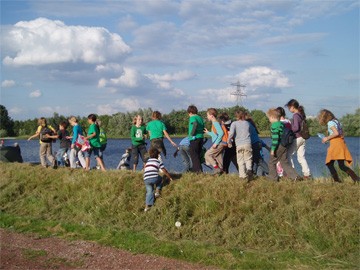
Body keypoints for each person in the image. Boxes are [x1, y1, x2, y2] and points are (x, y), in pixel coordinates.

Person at [317, 109, 359, 183]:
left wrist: (327, 138)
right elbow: (340, 134)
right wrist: (329, 140)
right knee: (341, 165)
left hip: (336, 145)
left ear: (325, 118)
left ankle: (337, 181)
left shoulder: (330, 123)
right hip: (340, 143)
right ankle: (356, 178)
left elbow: (336, 133)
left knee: (329, 163)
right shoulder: (337, 121)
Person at [266, 108, 301, 181]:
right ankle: (295, 176)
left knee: (272, 162)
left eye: (269, 118)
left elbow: (275, 139)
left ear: (272, 117)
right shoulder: (281, 124)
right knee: (284, 162)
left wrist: (272, 149)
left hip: (278, 146)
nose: (269, 120)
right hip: (284, 145)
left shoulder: (274, 126)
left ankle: (273, 178)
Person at [285, 99, 311, 178]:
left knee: (288, 154)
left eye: (289, 107)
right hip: (303, 138)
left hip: (297, 137)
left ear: (292, 107)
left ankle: (291, 173)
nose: (289, 109)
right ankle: (307, 174)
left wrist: (289, 129)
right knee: (301, 157)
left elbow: (296, 128)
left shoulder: (295, 115)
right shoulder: (301, 115)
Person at [143, 147, 173, 212]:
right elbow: (164, 170)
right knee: (161, 179)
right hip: (153, 177)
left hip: (146, 178)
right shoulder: (158, 161)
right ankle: (157, 191)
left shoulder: (148, 161)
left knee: (149, 192)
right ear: (157, 155)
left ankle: (147, 207)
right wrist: (170, 177)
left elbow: (145, 168)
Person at [227, 109, 253, 181]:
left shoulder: (234, 123)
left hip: (239, 144)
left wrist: (228, 141)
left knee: (240, 160)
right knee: (248, 158)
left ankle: (242, 176)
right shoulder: (248, 123)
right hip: (248, 143)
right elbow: (250, 132)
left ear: (236, 116)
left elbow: (231, 133)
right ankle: (249, 169)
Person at [204, 108, 227, 175]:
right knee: (219, 159)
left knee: (207, 155)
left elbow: (221, 133)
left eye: (207, 115)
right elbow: (216, 135)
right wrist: (208, 132)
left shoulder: (215, 123)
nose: (207, 116)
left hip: (219, 143)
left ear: (212, 115)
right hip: (221, 143)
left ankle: (216, 168)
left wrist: (216, 143)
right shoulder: (215, 123)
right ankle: (221, 174)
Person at [187, 105, 205, 172]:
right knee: (197, 155)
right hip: (200, 138)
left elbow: (195, 124)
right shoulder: (200, 118)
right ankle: (196, 170)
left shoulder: (192, 117)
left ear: (190, 112)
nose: (189, 115)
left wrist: (191, 134)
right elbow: (203, 127)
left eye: (188, 114)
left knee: (193, 155)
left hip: (194, 138)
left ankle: (198, 171)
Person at [276, 106, 292, 177]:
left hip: (280, 143)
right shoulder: (288, 121)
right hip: (288, 143)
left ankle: (280, 174)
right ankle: (289, 173)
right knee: (287, 158)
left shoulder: (279, 123)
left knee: (278, 159)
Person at [245, 112, 262, 177]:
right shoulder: (251, 124)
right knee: (255, 160)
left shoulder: (247, 124)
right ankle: (253, 173)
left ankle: (269, 172)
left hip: (253, 144)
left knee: (258, 160)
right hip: (257, 143)